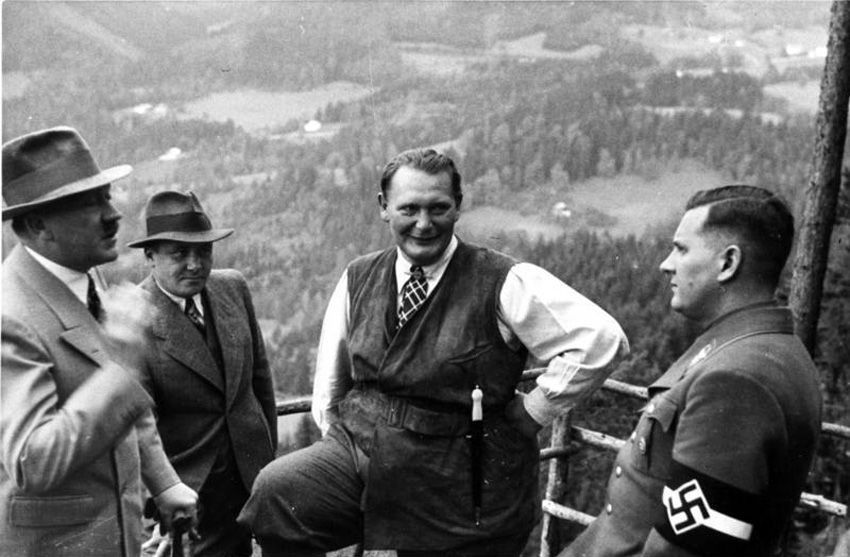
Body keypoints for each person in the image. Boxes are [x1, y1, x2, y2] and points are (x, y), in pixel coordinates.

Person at [239, 148, 629, 556]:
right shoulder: (359, 276)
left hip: (459, 467)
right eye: (409, 209)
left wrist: (534, 411)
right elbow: (331, 383)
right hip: (364, 449)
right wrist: (340, 441)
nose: (424, 224)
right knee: (278, 493)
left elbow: (601, 339)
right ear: (383, 208)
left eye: (438, 208)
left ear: (457, 207)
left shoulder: (503, 280)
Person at [560, 185, 822, 557]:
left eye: (681, 249)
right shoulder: (755, 350)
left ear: (728, 263)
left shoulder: (736, 379)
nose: (666, 263)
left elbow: (685, 551)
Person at [1, 126, 198, 556]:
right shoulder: (9, 316)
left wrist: (162, 482)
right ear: (38, 225)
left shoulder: (81, 272)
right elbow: (31, 461)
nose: (112, 215)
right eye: (88, 205)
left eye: (105, 196)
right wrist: (123, 367)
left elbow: (122, 403)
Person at [127, 190, 278, 557]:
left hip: (253, 479)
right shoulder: (132, 318)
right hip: (189, 497)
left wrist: (268, 462)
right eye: (179, 254)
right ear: (150, 256)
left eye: (203, 252)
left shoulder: (232, 287)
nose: (195, 264)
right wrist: (158, 502)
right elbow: (136, 427)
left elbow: (261, 383)